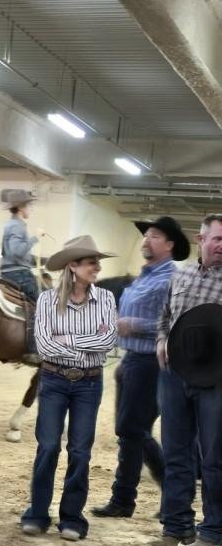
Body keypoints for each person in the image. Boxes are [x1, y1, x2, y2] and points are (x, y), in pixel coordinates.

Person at [21, 235, 118, 541]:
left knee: (80, 451)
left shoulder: (106, 299)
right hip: (54, 381)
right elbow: (44, 346)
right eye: (92, 262)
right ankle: (37, 514)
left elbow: (108, 340)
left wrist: (67, 340)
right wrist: (86, 344)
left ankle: (72, 518)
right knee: (48, 446)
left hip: (89, 383)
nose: (97, 267)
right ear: (73, 266)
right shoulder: (47, 300)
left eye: (97, 262)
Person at [92, 216, 188, 520]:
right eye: (146, 235)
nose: (147, 239)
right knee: (131, 432)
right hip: (131, 360)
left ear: (170, 245)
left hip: (150, 363)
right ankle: (139, 497)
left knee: (132, 430)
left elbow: (178, 323)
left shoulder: (172, 279)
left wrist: (134, 325)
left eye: (155, 236)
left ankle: (132, 498)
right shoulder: (142, 278)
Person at [156, 214, 222, 546]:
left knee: (215, 457)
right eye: (218, 238)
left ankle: (213, 531)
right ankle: (176, 526)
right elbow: (165, 316)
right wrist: (160, 339)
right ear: (201, 239)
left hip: (216, 378)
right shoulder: (179, 276)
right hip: (175, 373)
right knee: (175, 453)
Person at [0, 189, 46, 303]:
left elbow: (20, 256)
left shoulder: (11, 224)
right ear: (21, 207)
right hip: (19, 275)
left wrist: (48, 261)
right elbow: (17, 251)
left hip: (10, 272)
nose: (31, 209)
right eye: (29, 205)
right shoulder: (17, 226)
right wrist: (36, 238)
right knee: (47, 301)